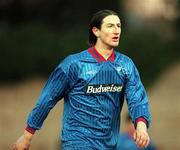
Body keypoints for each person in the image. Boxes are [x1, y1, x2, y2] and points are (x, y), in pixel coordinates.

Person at [12, 9, 151, 150]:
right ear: (96, 31)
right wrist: (27, 136)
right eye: (110, 26)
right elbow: (47, 98)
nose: (116, 30)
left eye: (119, 26)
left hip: (109, 144)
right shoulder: (74, 64)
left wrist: (141, 126)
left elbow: (137, 98)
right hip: (76, 142)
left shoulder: (125, 65)